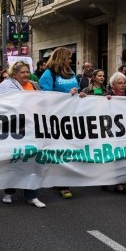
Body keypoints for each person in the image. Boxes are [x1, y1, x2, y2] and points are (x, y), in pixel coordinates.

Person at [0, 61, 46, 208]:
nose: (25, 75)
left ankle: (32, 195)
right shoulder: (5, 86)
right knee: (14, 159)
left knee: (33, 160)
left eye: (27, 72)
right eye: (22, 72)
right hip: (14, 128)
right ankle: (9, 191)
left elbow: (44, 101)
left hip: (33, 128)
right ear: (14, 74)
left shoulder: (34, 86)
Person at [38, 47, 80, 199]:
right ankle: (60, 182)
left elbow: (77, 88)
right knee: (59, 148)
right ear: (61, 58)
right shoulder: (49, 74)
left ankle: (63, 177)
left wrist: (80, 93)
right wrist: (65, 96)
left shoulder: (71, 72)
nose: (71, 60)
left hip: (72, 116)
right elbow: (45, 96)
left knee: (69, 148)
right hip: (57, 117)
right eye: (68, 58)